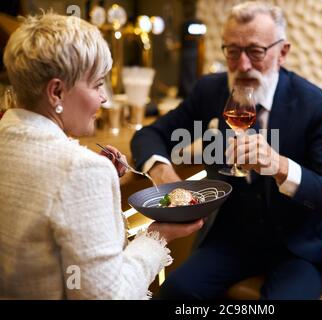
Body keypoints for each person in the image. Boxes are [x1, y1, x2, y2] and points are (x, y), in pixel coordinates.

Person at [131, 1, 322, 300]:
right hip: (233, 237)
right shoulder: (211, 90)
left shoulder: (318, 106)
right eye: (233, 52)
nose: (243, 65)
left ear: (282, 52)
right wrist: (161, 170)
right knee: (176, 292)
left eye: (256, 52)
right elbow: (150, 135)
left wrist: (279, 165)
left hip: (298, 245)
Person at [0, 12, 203, 300]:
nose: (104, 98)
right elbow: (108, 295)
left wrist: (99, 181)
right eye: (97, 84)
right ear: (56, 92)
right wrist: (158, 236)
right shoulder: (82, 170)